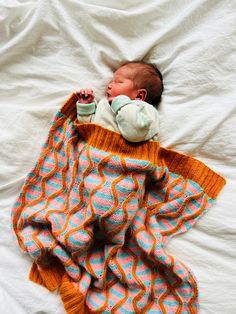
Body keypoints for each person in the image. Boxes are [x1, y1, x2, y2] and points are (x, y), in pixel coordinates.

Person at [76, 61, 163, 142]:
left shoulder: (145, 109)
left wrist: (121, 104)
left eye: (118, 82)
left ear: (140, 95)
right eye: (111, 81)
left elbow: (134, 133)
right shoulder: (105, 104)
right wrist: (86, 107)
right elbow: (89, 130)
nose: (109, 85)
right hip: (95, 151)